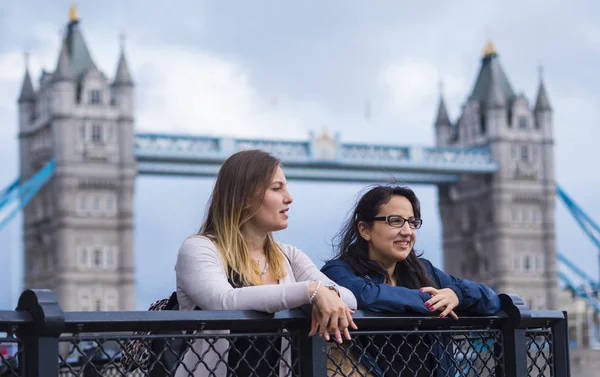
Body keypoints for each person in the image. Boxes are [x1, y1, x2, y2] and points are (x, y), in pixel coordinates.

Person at [174, 149, 358, 377]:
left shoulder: (288, 255)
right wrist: (311, 292)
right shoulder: (199, 249)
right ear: (243, 196)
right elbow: (224, 301)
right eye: (277, 188)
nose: (289, 198)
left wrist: (322, 295)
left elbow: (348, 299)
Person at [321, 185, 502, 377]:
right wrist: (432, 302)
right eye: (396, 221)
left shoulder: (425, 270)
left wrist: (457, 294)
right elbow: (366, 295)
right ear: (365, 230)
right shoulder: (337, 272)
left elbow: (492, 301)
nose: (407, 231)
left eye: (412, 222)